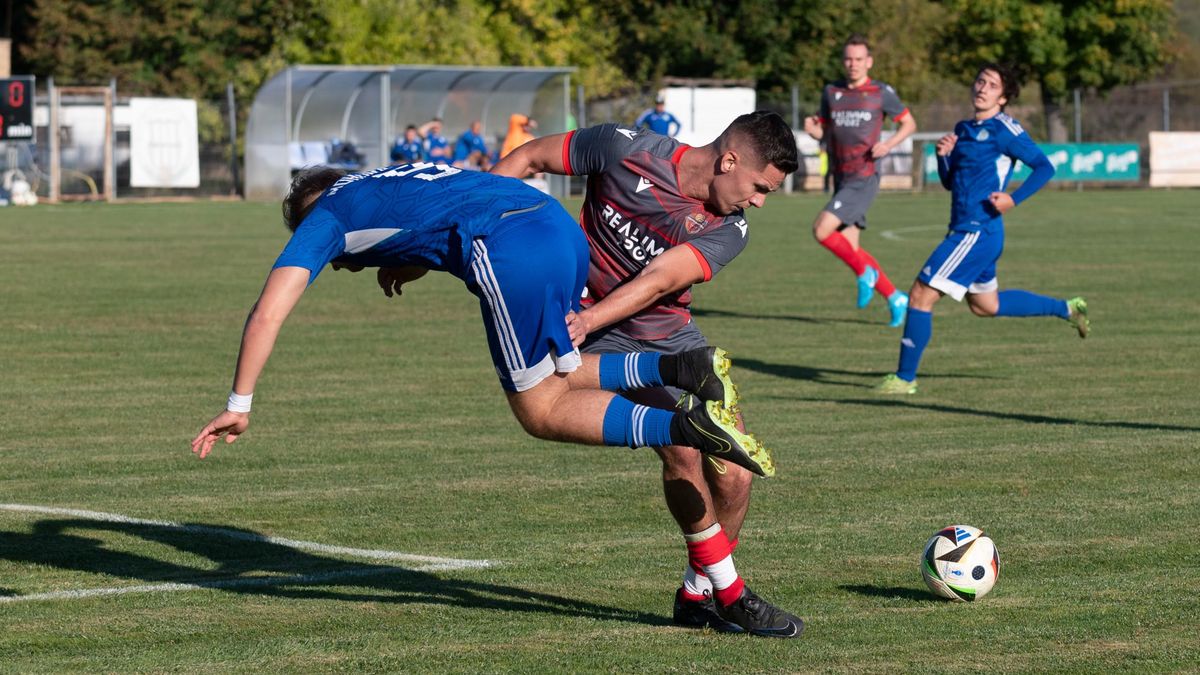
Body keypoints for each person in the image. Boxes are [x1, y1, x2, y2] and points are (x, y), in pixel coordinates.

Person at [191, 163, 775, 488]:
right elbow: (445, 206)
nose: (337, 265)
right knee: (562, 371)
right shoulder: (387, 178)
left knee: (541, 409)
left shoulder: (327, 218)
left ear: (309, 217)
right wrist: (413, 258)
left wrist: (239, 402)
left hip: (510, 247)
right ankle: (680, 366)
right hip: (557, 228)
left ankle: (687, 430)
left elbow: (268, 309)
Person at [491, 112, 804, 638]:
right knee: (682, 451)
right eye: (758, 187)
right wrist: (472, 223)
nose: (759, 202)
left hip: (670, 338)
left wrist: (590, 316)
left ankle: (696, 593)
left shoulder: (731, 228)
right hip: (599, 335)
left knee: (736, 471)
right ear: (728, 161)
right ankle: (732, 594)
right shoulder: (623, 148)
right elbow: (528, 157)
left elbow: (663, 279)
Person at [876, 63, 1089, 395]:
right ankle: (1068, 308)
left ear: (1002, 98)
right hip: (969, 229)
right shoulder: (962, 129)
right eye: (980, 80)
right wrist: (943, 156)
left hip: (977, 231)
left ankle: (904, 379)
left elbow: (1045, 167)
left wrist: (1013, 199)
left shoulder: (1005, 129)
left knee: (920, 295)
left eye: (992, 85)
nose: (982, 87)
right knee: (985, 306)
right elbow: (951, 183)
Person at [804, 34, 917, 327]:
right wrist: (812, 129)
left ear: (869, 61)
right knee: (851, 249)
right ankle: (895, 297)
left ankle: (866, 274)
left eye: (858, 59)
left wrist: (888, 145)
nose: (853, 64)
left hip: (864, 176)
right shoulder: (831, 93)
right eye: (848, 59)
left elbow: (909, 122)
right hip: (842, 177)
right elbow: (826, 133)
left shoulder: (880, 92)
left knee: (821, 229)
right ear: (844, 61)